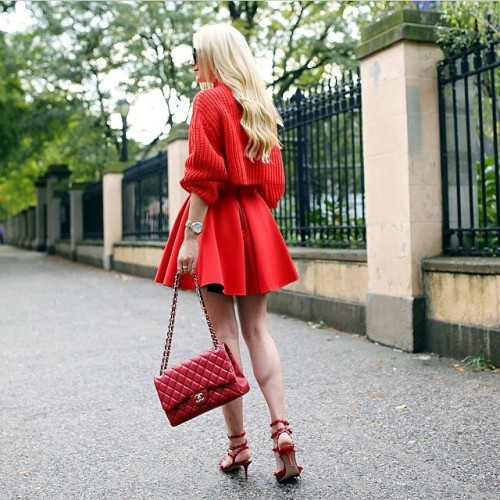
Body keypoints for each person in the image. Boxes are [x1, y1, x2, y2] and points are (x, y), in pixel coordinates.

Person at [155, 23, 302, 483]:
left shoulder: (209, 101)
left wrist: (192, 237)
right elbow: (273, 185)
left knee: (225, 339)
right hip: (255, 222)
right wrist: (252, 214)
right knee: (258, 329)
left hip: (216, 223)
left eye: (196, 54)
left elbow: (204, 175)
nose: (193, 63)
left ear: (215, 56)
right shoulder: (259, 106)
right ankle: (282, 429)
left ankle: (239, 447)